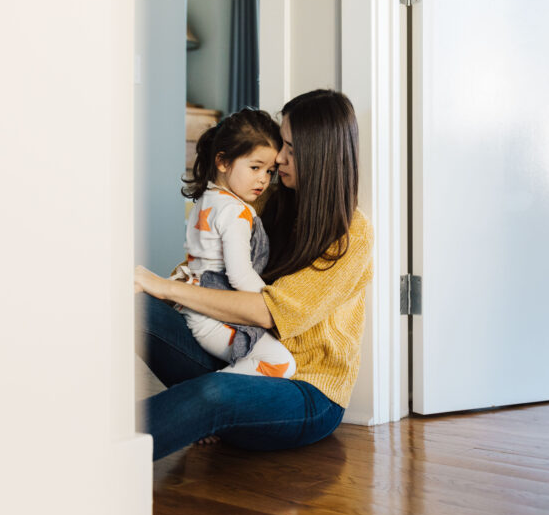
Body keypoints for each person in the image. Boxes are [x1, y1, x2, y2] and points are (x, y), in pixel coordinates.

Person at [135, 89, 373, 461]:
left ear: (319, 154)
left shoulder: (352, 234)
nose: (278, 157)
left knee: (212, 394)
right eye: (283, 144)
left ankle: (98, 467)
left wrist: (166, 287)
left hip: (303, 391)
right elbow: (207, 265)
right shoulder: (265, 198)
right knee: (137, 307)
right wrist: (164, 286)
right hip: (240, 355)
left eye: (291, 148)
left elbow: (269, 313)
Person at [175, 108, 296, 379]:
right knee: (282, 363)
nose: (264, 179)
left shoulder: (209, 198)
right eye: (255, 167)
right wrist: (273, 305)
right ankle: (206, 391)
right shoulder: (235, 212)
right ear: (223, 161)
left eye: (270, 171)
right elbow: (240, 275)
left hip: (198, 306)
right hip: (216, 318)